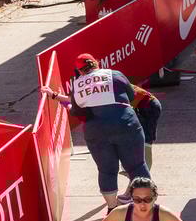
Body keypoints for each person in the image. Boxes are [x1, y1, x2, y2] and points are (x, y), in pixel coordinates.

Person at [39, 54, 151, 211]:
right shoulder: (114, 74)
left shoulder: (77, 84)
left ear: (80, 71)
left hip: (96, 131)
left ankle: (112, 208)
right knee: (137, 166)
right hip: (126, 123)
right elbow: (131, 96)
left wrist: (54, 96)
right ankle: (147, 206)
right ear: (96, 63)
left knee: (106, 170)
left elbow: (77, 111)